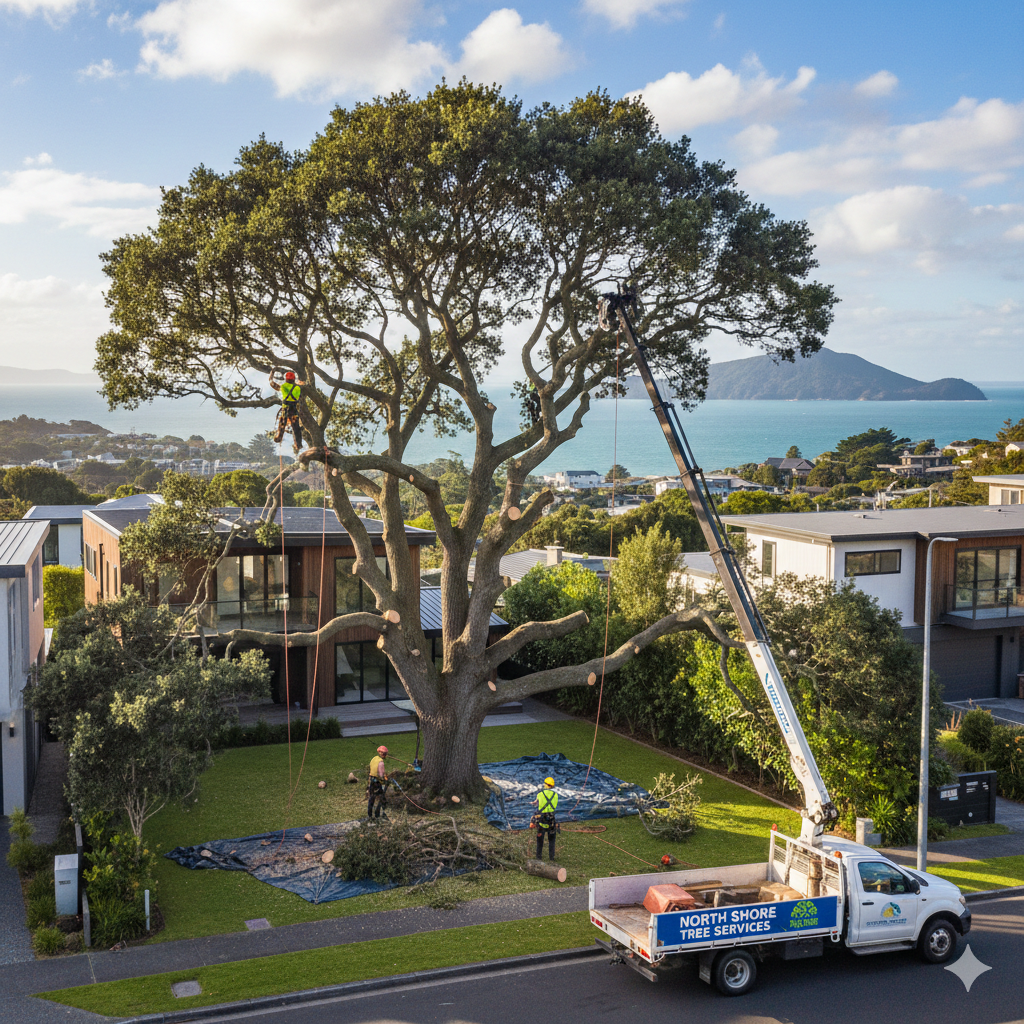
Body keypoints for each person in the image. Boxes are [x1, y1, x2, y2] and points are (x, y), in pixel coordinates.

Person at [269, 369, 307, 453]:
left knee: (282, 423)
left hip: (285, 408)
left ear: (286, 379)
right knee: (296, 427)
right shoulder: (297, 387)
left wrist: (271, 375)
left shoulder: (283, 386)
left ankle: (279, 437)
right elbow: (299, 397)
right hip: (293, 409)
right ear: (293, 379)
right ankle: (299, 444)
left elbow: (272, 384)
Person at [532, 776, 559, 860]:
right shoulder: (556, 795)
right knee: (552, 840)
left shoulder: (540, 794)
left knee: (540, 839)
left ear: (546, 785)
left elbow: (536, 804)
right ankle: (552, 857)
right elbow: (554, 806)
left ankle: (538, 857)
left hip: (542, 820)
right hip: (551, 820)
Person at [367, 744, 389, 819]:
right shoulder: (381, 762)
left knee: (371, 798)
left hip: (371, 781)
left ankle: (370, 815)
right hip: (377, 782)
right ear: (383, 754)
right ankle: (380, 814)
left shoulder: (374, 758)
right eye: (385, 754)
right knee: (382, 798)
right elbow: (381, 774)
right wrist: (385, 780)